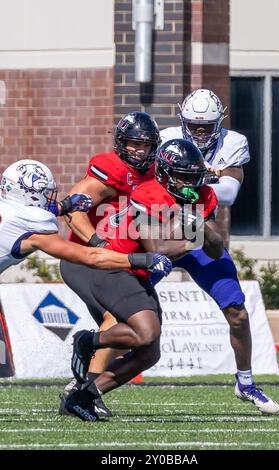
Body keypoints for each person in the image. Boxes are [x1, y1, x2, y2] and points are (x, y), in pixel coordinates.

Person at [63, 138, 224, 422]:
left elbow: (216, 249)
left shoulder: (203, 195)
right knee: (146, 333)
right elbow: (158, 250)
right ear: (164, 173)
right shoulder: (148, 193)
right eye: (182, 176)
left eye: (193, 176)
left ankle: (83, 396)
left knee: (149, 353)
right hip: (116, 267)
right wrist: (192, 237)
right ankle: (89, 341)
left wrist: (205, 230)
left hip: (138, 275)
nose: (190, 183)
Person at [159, 89, 279, 414]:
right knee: (125, 302)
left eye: (207, 126)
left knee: (237, 312)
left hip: (199, 232)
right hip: (157, 231)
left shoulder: (233, 142)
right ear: (182, 121)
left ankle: (245, 381)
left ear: (219, 121)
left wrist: (185, 181)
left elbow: (227, 194)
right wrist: (208, 175)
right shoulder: (164, 137)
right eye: (194, 126)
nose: (200, 132)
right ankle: (91, 379)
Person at [58, 111, 163, 416]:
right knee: (118, 320)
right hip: (87, 260)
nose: (139, 150)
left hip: (124, 264)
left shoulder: (154, 173)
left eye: (145, 145)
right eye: (133, 143)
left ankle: (85, 390)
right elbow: (74, 207)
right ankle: (84, 392)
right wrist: (97, 245)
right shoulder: (110, 168)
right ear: (121, 143)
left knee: (147, 346)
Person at [0, 159, 172, 276]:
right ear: (28, 193)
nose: (48, 198)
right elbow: (91, 257)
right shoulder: (32, 228)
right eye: (44, 193)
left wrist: (64, 207)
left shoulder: (8, 206)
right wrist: (144, 259)